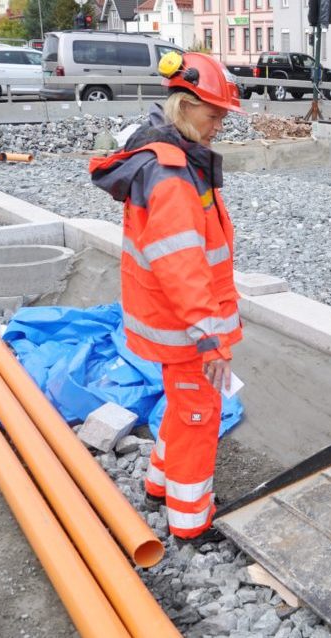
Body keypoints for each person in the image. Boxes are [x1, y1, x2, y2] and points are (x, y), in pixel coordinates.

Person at [89, 51, 244, 542]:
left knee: (182, 406)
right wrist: (210, 338)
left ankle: (159, 484)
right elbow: (181, 262)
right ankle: (190, 521)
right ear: (183, 105)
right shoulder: (173, 172)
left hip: (169, 317)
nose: (220, 124)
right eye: (213, 113)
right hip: (186, 325)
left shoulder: (165, 156)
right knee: (200, 415)